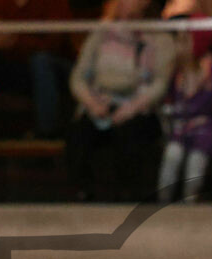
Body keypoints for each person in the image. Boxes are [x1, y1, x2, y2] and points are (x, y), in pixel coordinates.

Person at [67, 0, 175, 200]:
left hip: (139, 107)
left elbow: (160, 84)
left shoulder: (160, 39)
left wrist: (131, 108)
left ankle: (126, 199)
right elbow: (78, 77)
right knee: (79, 133)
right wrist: (92, 103)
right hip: (99, 103)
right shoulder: (101, 33)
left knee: (129, 133)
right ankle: (83, 196)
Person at [156, 0, 212, 202]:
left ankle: (191, 202)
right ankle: (163, 200)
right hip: (180, 128)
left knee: (196, 162)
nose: (178, 46)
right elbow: (168, 101)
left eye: (183, 40)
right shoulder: (177, 72)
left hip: (206, 129)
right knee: (172, 155)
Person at [0, 0, 75, 140]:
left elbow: (54, 43)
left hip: (51, 68)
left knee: (41, 62)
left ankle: (46, 133)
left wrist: (16, 39)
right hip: (10, 66)